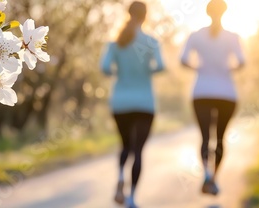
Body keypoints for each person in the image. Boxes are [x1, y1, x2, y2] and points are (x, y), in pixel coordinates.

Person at [100, 1, 165, 207]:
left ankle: (120, 176)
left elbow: (105, 68)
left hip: (121, 102)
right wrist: (146, 71)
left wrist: (119, 72)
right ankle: (132, 197)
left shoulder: (116, 42)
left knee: (125, 145)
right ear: (145, 16)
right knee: (138, 151)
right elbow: (161, 66)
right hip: (145, 103)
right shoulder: (151, 41)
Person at [180, 0, 245, 196]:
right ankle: (214, 178)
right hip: (226, 93)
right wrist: (227, 69)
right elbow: (241, 62)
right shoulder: (232, 37)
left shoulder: (196, 36)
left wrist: (198, 68)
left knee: (205, 137)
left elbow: (183, 60)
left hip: (202, 92)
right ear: (224, 12)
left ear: (208, 13)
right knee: (220, 139)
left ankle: (207, 176)